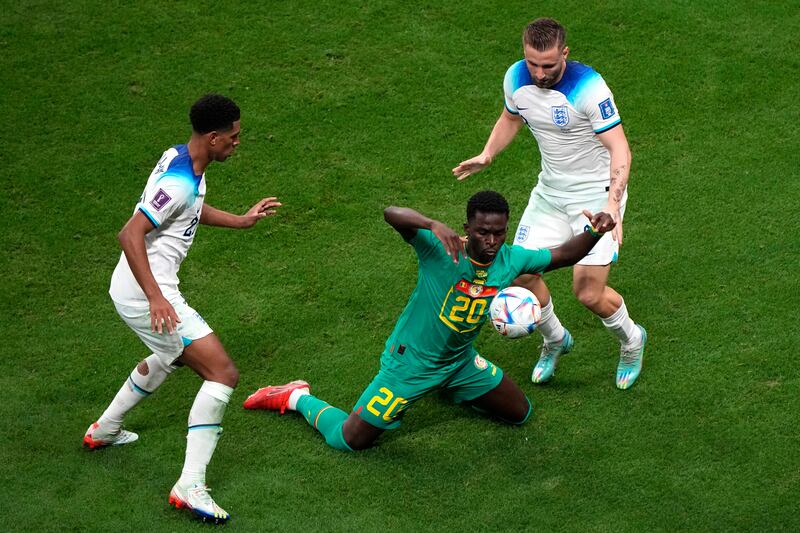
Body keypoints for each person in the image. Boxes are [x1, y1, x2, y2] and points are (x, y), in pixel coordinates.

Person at [243, 190, 615, 451]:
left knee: (520, 413)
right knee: (351, 439)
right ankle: (295, 397)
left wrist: (595, 230)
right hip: (410, 365)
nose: (490, 240)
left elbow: (565, 254)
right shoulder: (439, 250)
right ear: (467, 227)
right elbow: (392, 213)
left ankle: (453, 387)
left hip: (459, 362)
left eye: (498, 232)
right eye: (482, 231)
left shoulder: (512, 259)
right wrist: (431, 223)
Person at [83, 94, 281, 524]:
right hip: (146, 293)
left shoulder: (182, 159)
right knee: (221, 372)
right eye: (233, 137)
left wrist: (241, 220)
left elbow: (188, 209)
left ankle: (104, 429)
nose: (237, 143)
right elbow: (130, 234)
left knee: (169, 355)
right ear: (213, 138)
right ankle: (190, 484)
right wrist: (157, 298)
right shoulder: (179, 182)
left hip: (135, 288)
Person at [452, 18, 647, 390]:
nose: (539, 73)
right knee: (521, 272)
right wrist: (488, 154)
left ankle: (632, 340)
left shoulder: (589, 88)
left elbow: (620, 148)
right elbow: (511, 117)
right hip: (550, 194)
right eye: (532, 64)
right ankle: (556, 339)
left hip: (596, 199)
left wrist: (613, 206)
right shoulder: (515, 78)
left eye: (548, 65)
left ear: (565, 55)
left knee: (588, 292)